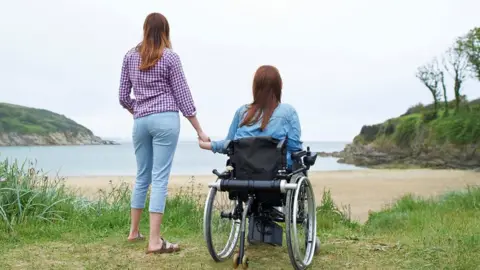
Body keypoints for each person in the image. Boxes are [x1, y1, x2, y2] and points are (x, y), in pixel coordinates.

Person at [118, 12, 209, 254]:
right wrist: (199, 130)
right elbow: (183, 96)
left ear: (145, 29)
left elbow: (122, 96)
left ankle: (134, 232)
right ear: (166, 31)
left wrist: (138, 111)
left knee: (142, 176)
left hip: (140, 120)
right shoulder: (170, 57)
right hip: (166, 118)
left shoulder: (129, 56)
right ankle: (155, 241)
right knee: (159, 178)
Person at [198, 65, 302, 167]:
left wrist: (206, 144)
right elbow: (294, 149)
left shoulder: (242, 112)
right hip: (277, 173)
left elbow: (229, 145)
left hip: (242, 171)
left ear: (255, 87)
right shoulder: (288, 112)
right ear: (280, 86)